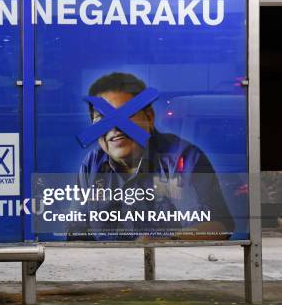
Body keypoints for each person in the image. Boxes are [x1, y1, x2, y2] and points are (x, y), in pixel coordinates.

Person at [70, 72, 235, 241]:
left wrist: (164, 244)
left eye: (125, 115)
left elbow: (219, 226)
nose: (115, 128)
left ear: (149, 117)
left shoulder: (183, 157)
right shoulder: (91, 164)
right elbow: (76, 231)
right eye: (102, 120)